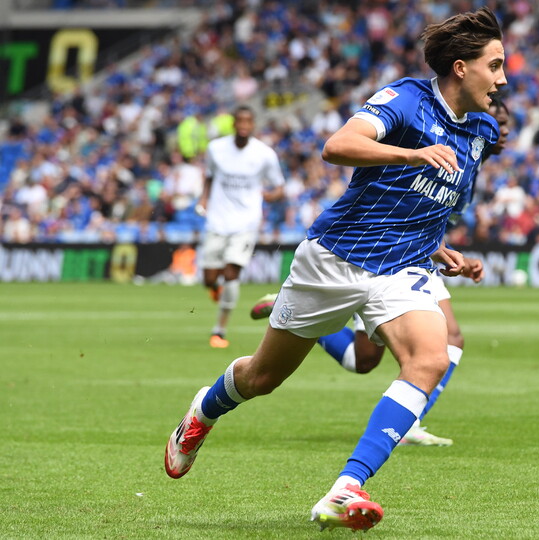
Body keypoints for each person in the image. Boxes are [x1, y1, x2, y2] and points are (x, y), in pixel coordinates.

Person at [164, 7, 507, 533]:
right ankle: (202, 414)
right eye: (495, 66)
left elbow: (432, 201)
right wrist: (413, 156)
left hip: (403, 266)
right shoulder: (407, 99)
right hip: (336, 259)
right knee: (261, 378)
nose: (503, 79)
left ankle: (347, 487)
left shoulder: (482, 129)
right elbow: (337, 146)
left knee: (431, 358)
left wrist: (442, 250)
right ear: (461, 68)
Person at [246, 96, 513, 447]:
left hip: (415, 253)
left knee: (365, 360)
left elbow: (429, 217)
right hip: (377, 253)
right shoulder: (437, 132)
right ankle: (410, 421)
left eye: (506, 124)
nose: (503, 130)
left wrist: (448, 254)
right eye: (499, 119)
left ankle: (293, 310)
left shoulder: (471, 158)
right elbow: (398, 203)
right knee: (448, 340)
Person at [196, 105, 285, 348]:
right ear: (234, 124)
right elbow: (210, 176)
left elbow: (278, 186)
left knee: (232, 273)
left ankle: (219, 330)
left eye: (249, 121)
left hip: (246, 222)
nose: (244, 125)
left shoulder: (264, 154)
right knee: (209, 278)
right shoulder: (216, 149)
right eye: (240, 121)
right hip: (217, 219)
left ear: (253, 125)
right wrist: (204, 199)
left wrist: (268, 196)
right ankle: (215, 289)